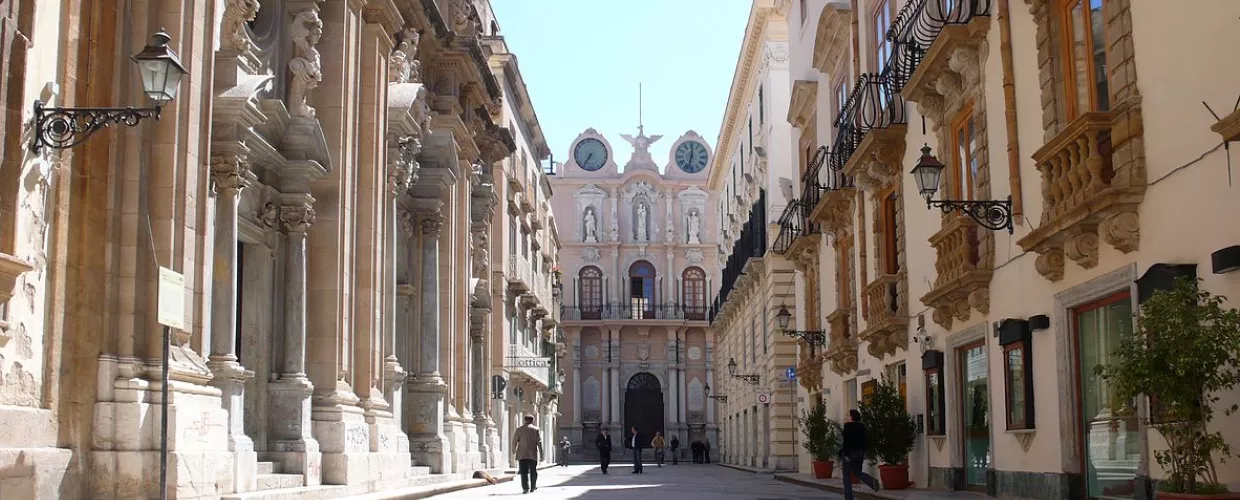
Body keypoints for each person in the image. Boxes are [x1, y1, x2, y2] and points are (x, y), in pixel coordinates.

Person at [840, 409, 881, 500]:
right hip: (859, 453)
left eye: (847, 415)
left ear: (851, 417)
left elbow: (847, 443)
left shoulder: (848, 427)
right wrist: (862, 451)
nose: (845, 417)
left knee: (846, 476)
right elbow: (864, 441)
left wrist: (846, 454)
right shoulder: (862, 427)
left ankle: (849, 498)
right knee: (857, 472)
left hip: (849, 453)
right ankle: (872, 482)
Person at [512, 415, 543, 494]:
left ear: (525, 420)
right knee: (533, 471)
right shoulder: (536, 429)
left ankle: (525, 488)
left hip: (522, 454)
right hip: (532, 454)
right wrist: (541, 454)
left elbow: (515, 440)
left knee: (524, 472)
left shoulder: (519, 429)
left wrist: (513, 450)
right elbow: (539, 442)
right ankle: (533, 487)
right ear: (533, 420)